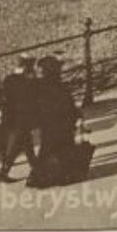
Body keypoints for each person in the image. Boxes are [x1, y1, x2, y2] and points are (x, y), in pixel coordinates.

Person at [27, 56, 81, 188]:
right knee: (64, 148)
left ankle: (44, 176)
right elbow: (69, 104)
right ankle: (64, 175)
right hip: (63, 122)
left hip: (49, 123)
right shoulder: (59, 85)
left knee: (48, 149)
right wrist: (75, 117)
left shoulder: (39, 85)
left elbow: (34, 103)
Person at [0, 55, 38, 182]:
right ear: (26, 66)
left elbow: (3, 100)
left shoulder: (9, 79)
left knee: (26, 144)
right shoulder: (25, 80)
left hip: (13, 118)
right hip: (20, 118)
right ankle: (3, 173)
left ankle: (35, 168)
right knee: (16, 146)